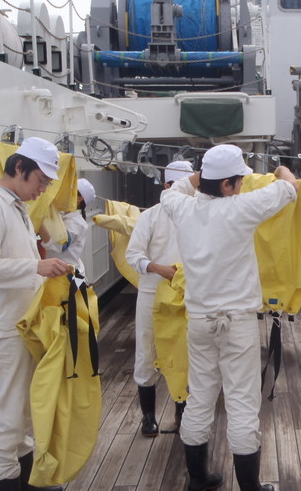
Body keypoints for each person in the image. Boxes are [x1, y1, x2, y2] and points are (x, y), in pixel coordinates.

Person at [161, 145, 298, 491]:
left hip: (199, 321)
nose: (241, 186)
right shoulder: (241, 208)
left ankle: (198, 480)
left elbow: (173, 190)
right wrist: (279, 169)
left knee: (199, 399)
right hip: (236, 324)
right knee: (242, 404)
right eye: (239, 180)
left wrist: (203, 174)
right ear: (227, 185)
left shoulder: (181, 207)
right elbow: (289, 186)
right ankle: (250, 488)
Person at [0, 137, 70, 491]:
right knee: (5, 420)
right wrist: (37, 268)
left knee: (24, 416)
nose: (43, 189)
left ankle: (26, 483)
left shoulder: (17, 209)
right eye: (41, 180)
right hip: (4, 332)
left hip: (22, 328)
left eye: (47, 183)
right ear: (20, 167)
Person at [125, 160, 193, 437]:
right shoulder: (151, 216)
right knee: (147, 350)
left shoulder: (197, 213)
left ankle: (182, 414)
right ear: (166, 187)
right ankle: (148, 417)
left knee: (184, 352)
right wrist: (159, 269)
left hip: (187, 294)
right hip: (153, 293)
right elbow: (133, 255)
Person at [39, 178, 96, 278]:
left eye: (67, 191)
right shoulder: (62, 215)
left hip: (64, 278)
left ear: (79, 198)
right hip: (59, 274)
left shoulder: (77, 223)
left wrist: (38, 221)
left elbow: (61, 245)